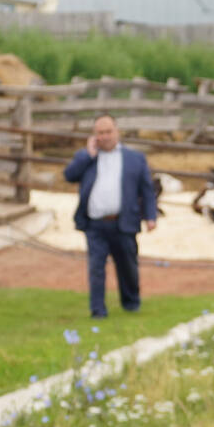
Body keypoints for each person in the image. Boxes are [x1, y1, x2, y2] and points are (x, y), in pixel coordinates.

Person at [63, 114, 156, 318]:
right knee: (96, 268)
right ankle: (98, 310)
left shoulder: (135, 158)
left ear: (117, 132)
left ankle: (131, 303)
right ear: (94, 135)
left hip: (123, 222)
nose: (104, 136)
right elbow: (69, 176)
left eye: (108, 132)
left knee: (127, 266)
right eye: (100, 133)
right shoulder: (87, 157)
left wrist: (151, 216)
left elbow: (147, 190)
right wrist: (89, 155)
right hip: (95, 224)